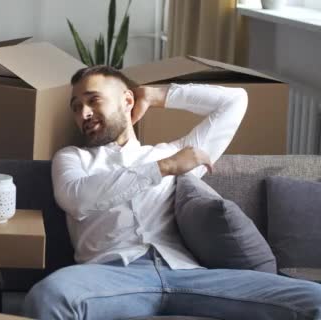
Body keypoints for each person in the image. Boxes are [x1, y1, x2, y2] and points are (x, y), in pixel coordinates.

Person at [22, 65, 321, 320]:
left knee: (315, 298)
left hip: (189, 274)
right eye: (76, 107)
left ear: (127, 100)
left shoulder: (173, 152)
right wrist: (164, 168)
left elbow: (235, 101)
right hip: (110, 275)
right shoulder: (74, 158)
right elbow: (76, 199)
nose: (84, 113)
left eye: (93, 100)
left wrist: (156, 95)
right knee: (48, 296)